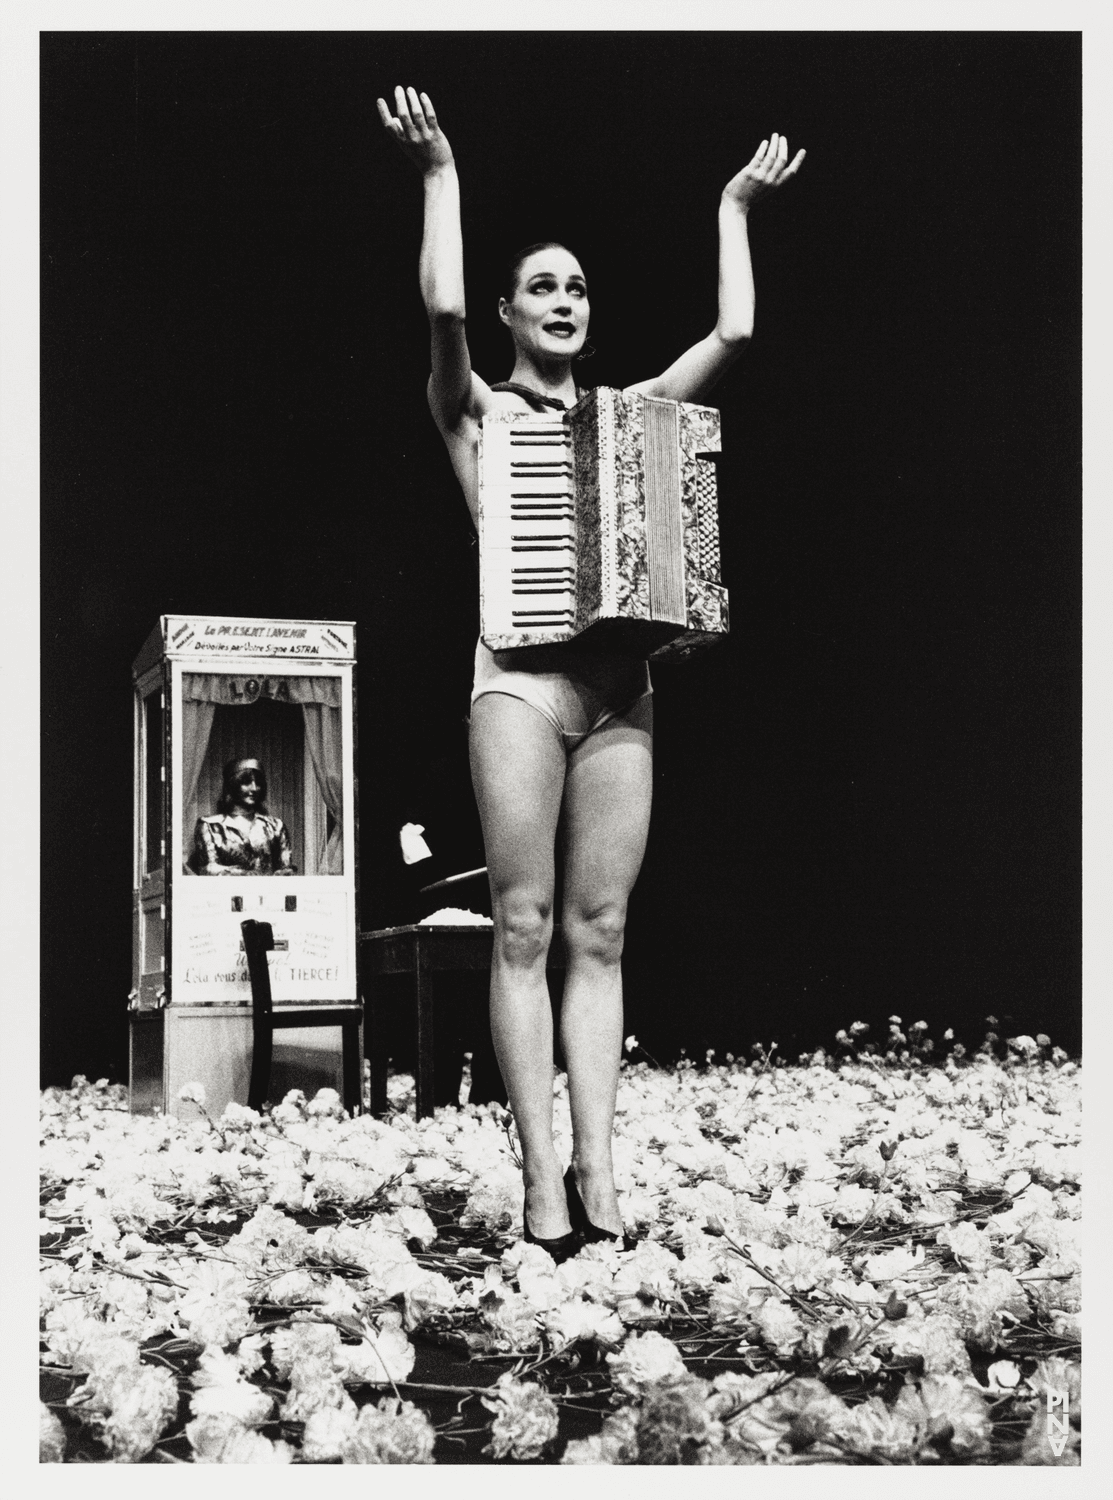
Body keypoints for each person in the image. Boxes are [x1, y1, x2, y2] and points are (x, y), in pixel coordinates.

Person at [379, 86, 803, 1258]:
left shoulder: (634, 417)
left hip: (621, 693)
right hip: (517, 686)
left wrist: (734, 205)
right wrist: (439, 175)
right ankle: (539, 1180)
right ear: (512, 313)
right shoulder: (472, 411)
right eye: (543, 288)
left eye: (576, 287)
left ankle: (600, 1169)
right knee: (522, 927)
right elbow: (442, 306)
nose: (564, 300)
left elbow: (738, 334)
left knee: (601, 929)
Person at [192, 758, 297, 876]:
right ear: (233, 785)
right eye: (246, 783)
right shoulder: (210, 826)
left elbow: (286, 868)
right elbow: (208, 869)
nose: (254, 788)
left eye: (258, 783)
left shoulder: (275, 826)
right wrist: (246, 874)